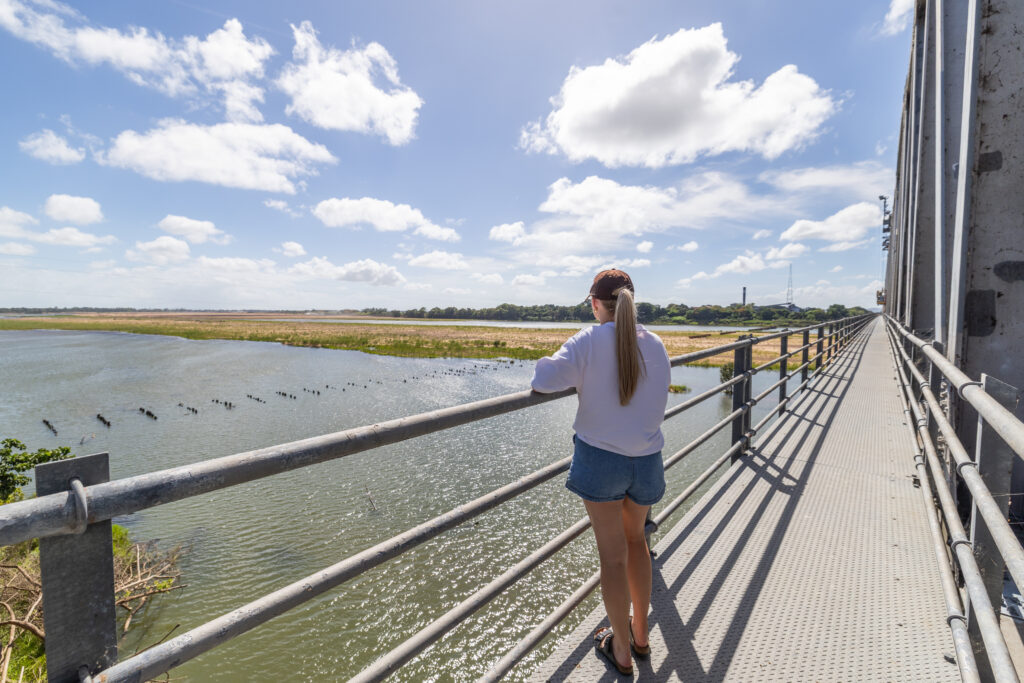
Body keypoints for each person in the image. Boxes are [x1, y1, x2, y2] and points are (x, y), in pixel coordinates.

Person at [531, 269, 671, 676]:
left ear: (594, 303)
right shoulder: (657, 343)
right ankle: (642, 637)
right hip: (647, 461)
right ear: (632, 302)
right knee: (637, 545)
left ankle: (622, 650)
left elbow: (542, 379)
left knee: (612, 559)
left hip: (602, 462)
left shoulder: (588, 340)